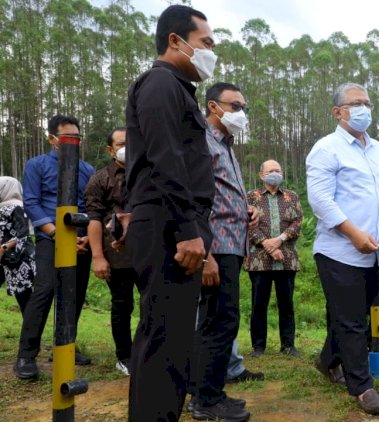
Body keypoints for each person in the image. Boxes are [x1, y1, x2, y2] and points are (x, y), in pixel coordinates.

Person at [124, 5, 217, 420]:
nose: (211, 53)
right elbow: (165, 159)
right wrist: (187, 229)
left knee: (173, 343)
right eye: (206, 44)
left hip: (173, 226)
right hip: (167, 227)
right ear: (175, 41)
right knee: (163, 343)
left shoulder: (180, 89)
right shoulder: (160, 83)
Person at [306, 82, 379, 416]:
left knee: (350, 313)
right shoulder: (326, 149)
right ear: (338, 112)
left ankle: (327, 361)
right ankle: (362, 387)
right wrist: (352, 232)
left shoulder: (378, 149)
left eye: (367, 102)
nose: (364, 107)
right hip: (340, 251)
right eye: (356, 103)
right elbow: (320, 200)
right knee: (353, 321)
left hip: (376, 252)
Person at [187, 82, 258, 421]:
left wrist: (245, 208)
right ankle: (205, 399)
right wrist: (206, 255)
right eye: (235, 106)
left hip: (232, 242)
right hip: (215, 245)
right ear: (213, 107)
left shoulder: (225, 144)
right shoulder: (201, 141)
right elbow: (194, 200)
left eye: (244, 107)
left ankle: (207, 390)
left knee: (220, 320)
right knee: (219, 320)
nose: (241, 113)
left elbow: (221, 194)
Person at [13, 115, 95, 380]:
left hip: (82, 240)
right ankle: (26, 355)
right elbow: (32, 203)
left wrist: (86, 237)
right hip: (50, 238)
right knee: (45, 289)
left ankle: (65, 346)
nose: (72, 143)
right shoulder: (36, 165)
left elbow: (92, 206)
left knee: (75, 293)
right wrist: (57, 234)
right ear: (52, 138)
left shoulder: (87, 170)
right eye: (66, 138)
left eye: (76, 138)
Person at [84, 128, 146, 376]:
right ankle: (125, 356)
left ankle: (147, 351)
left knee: (150, 304)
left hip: (147, 253)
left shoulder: (146, 175)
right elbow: (94, 219)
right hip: (117, 255)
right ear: (110, 150)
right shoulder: (100, 179)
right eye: (121, 144)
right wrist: (98, 257)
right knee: (122, 305)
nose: (127, 148)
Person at [247, 159, 303, 358]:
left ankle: (288, 345)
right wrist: (269, 246)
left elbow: (297, 223)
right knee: (258, 304)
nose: (275, 173)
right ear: (261, 175)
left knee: (286, 304)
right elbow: (248, 225)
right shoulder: (251, 197)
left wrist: (280, 240)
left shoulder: (292, 196)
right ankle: (258, 347)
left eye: (278, 170)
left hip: (287, 259)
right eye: (271, 170)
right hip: (259, 260)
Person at [0, 176, 35, 312]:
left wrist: (4, 248)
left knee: (24, 297)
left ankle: (31, 331)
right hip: (5, 259)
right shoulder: (2, 207)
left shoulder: (18, 207)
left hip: (18, 259)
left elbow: (23, 234)